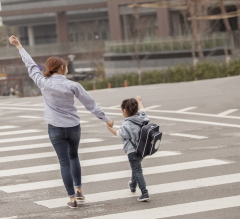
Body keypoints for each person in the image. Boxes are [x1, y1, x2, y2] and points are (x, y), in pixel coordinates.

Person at [9, 35, 114, 209]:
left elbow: (31, 65)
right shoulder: (73, 85)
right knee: (74, 156)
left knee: (64, 162)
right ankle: (79, 190)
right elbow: (90, 104)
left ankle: (72, 199)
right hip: (73, 127)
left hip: (55, 129)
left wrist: (19, 46)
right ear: (63, 68)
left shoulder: (42, 82)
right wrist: (106, 119)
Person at [106, 96, 150, 202]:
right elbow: (142, 109)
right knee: (136, 168)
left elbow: (119, 134)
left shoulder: (127, 124)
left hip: (132, 150)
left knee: (137, 170)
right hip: (143, 148)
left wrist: (109, 128)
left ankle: (144, 192)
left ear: (125, 111)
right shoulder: (142, 116)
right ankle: (132, 185)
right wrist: (139, 101)